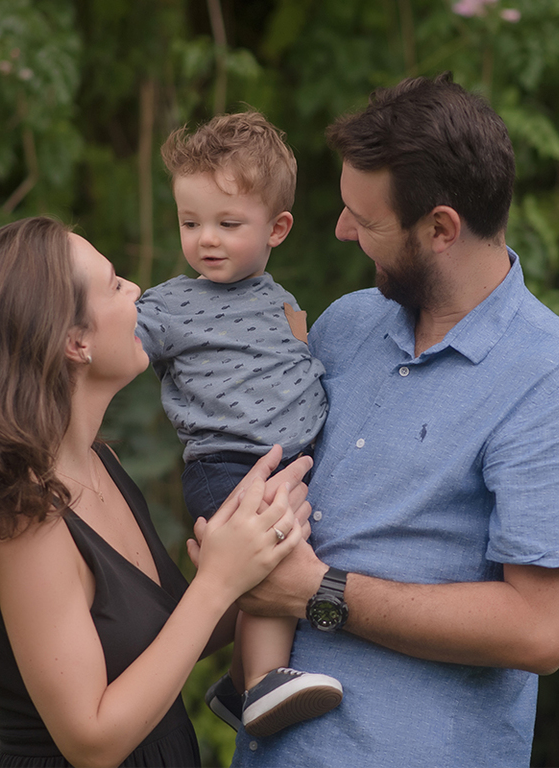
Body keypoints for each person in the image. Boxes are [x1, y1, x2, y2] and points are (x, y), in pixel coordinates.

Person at [229, 74, 559, 767]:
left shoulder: (557, 381)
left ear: (441, 228)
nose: (343, 230)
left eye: (366, 219)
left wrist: (321, 594)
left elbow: (539, 631)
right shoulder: (346, 325)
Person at [0, 216, 313, 767]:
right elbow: (91, 740)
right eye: (114, 284)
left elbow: (155, 647)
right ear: (74, 341)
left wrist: (255, 561)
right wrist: (215, 584)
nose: (137, 289)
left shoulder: (99, 464)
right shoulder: (24, 519)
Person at [132, 111, 340, 737]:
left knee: (283, 554)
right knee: (277, 558)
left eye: (228, 223)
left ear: (277, 228)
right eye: (190, 223)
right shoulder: (170, 305)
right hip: (229, 462)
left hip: (281, 460)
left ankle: (236, 684)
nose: (207, 240)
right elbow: (114, 348)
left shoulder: (280, 300)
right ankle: (264, 683)